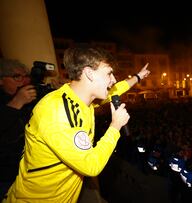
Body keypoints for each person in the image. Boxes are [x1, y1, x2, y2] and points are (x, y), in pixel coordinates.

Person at [3, 46, 150, 202]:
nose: (113, 79)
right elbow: (91, 166)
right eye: (109, 73)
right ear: (89, 73)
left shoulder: (81, 99)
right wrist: (115, 127)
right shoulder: (57, 112)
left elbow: (116, 89)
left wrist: (138, 77)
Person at [0, 59, 36, 199]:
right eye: (17, 77)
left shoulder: (27, 95)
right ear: (1, 80)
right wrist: (17, 102)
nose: (24, 81)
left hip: (28, 168)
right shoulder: (15, 99)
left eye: (26, 76)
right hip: (6, 176)